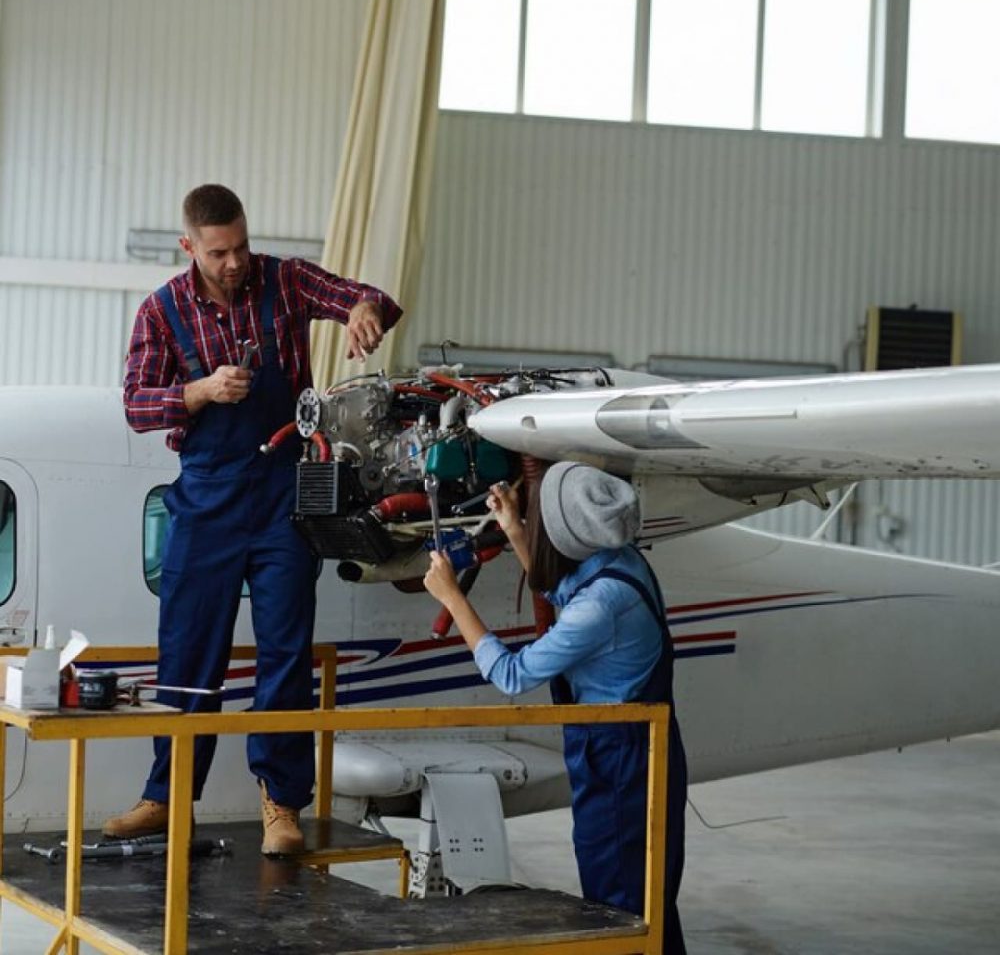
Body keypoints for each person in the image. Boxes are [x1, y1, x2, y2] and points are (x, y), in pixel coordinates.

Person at [107, 183, 402, 855]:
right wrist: (201, 391)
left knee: (284, 656)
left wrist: (362, 313)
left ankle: (281, 807)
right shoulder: (162, 311)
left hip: (281, 496)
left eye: (241, 245)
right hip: (205, 498)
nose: (236, 261)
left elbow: (365, 297)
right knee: (186, 654)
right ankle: (167, 796)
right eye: (219, 251)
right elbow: (136, 405)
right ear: (190, 247)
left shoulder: (286, 280)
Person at [423, 462, 687, 952]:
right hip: (635, 751)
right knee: (646, 901)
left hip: (620, 763)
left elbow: (511, 674)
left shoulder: (602, 605)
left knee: (621, 907)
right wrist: (516, 532)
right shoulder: (620, 560)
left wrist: (452, 597)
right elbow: (562, 590)